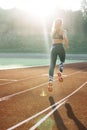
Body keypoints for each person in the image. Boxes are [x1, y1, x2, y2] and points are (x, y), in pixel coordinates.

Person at [48, 18, 69, 92]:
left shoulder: (53, 31)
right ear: (61, 24)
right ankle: (60, 72)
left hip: (53, 48)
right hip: (60, 47)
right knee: (62, 61)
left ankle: (50, 81)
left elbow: (53, 40)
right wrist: (67, 45)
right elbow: (65, 38)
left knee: (52, 65)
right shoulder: (63, 31)